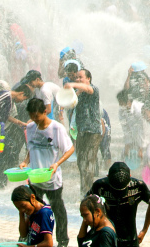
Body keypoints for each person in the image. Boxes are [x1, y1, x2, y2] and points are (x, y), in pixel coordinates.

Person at [21, 97, 72, 247]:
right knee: (32, 210)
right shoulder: (30, 128)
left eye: (37, 116)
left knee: (58, 210)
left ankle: (62, 240)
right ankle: (32, 239)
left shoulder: (56, 128)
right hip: (35, 179)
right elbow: (31, 148)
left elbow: (70, 149)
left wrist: (57, 164)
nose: (34, 120)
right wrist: (25, 161)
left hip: (52, 179)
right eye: (31, 116)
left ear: (45, 112)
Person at [88, 162, 150, 247]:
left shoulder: (138, 186)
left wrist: (144, 230)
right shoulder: (100, 186)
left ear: (130, 177)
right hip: (106, 236)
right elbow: (87, 206)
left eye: (122, 191)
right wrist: (93, 228)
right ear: (107, 177)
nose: (118, 195)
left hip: (130, 239)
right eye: (115, 190)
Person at [63, 69, 102, 193]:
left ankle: (89, 193)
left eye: (81, 77)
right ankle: (84, 191)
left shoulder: (93, 89)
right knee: (81, 162)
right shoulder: (77, 93)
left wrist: (73, 85)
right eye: (77, 78)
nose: (78, 79)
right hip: (81, 131)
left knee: (89, 162)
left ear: (88, 78)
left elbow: (88, 89)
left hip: (93, 132)